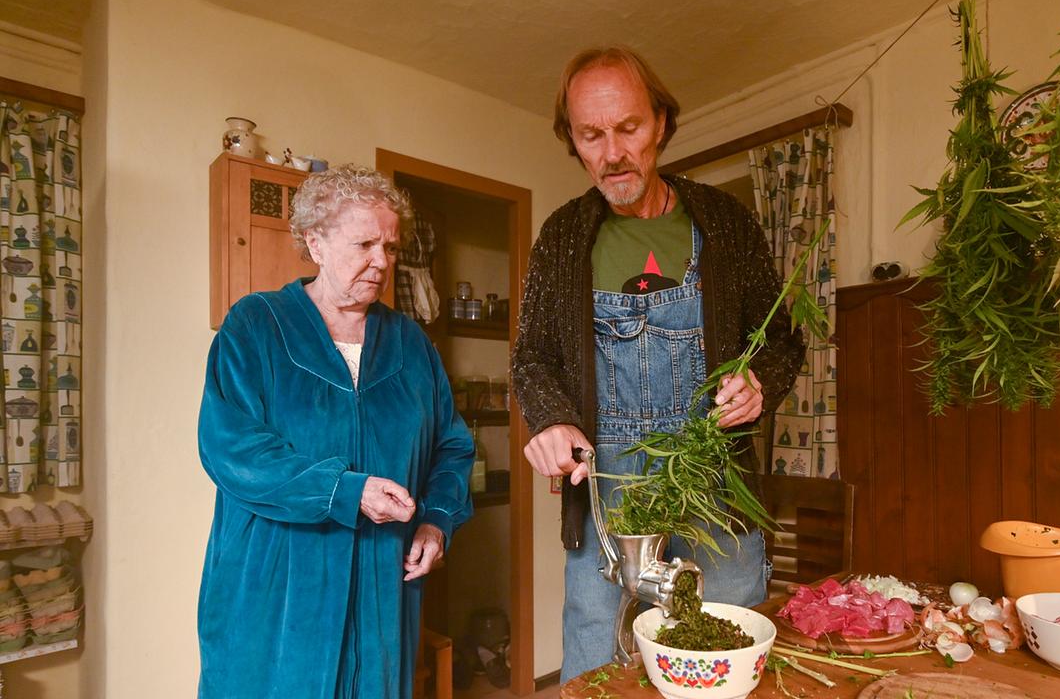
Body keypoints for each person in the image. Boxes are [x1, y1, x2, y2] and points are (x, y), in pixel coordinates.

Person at [511, 46, 804, 680]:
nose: (612, 152)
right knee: (593, 653)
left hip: (712, 475)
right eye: (592, 134)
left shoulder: (724, 223)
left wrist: (760, 383)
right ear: (575, 142)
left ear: (661, 125)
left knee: (726, 649)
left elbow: (781, 339)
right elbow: (533, 358)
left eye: (628, 128)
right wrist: (550, 420)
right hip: (606, 485)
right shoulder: (563, 236)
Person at [197, 165, 474, 698]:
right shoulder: (256, 325)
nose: (381, 262)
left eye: (390, 248)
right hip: (277, 583)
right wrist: (346, 490)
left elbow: (451, 446)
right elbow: (231, 447)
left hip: (380, 583)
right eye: (365, 243)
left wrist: (437, 522)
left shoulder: (410, 343)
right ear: (315, 243)